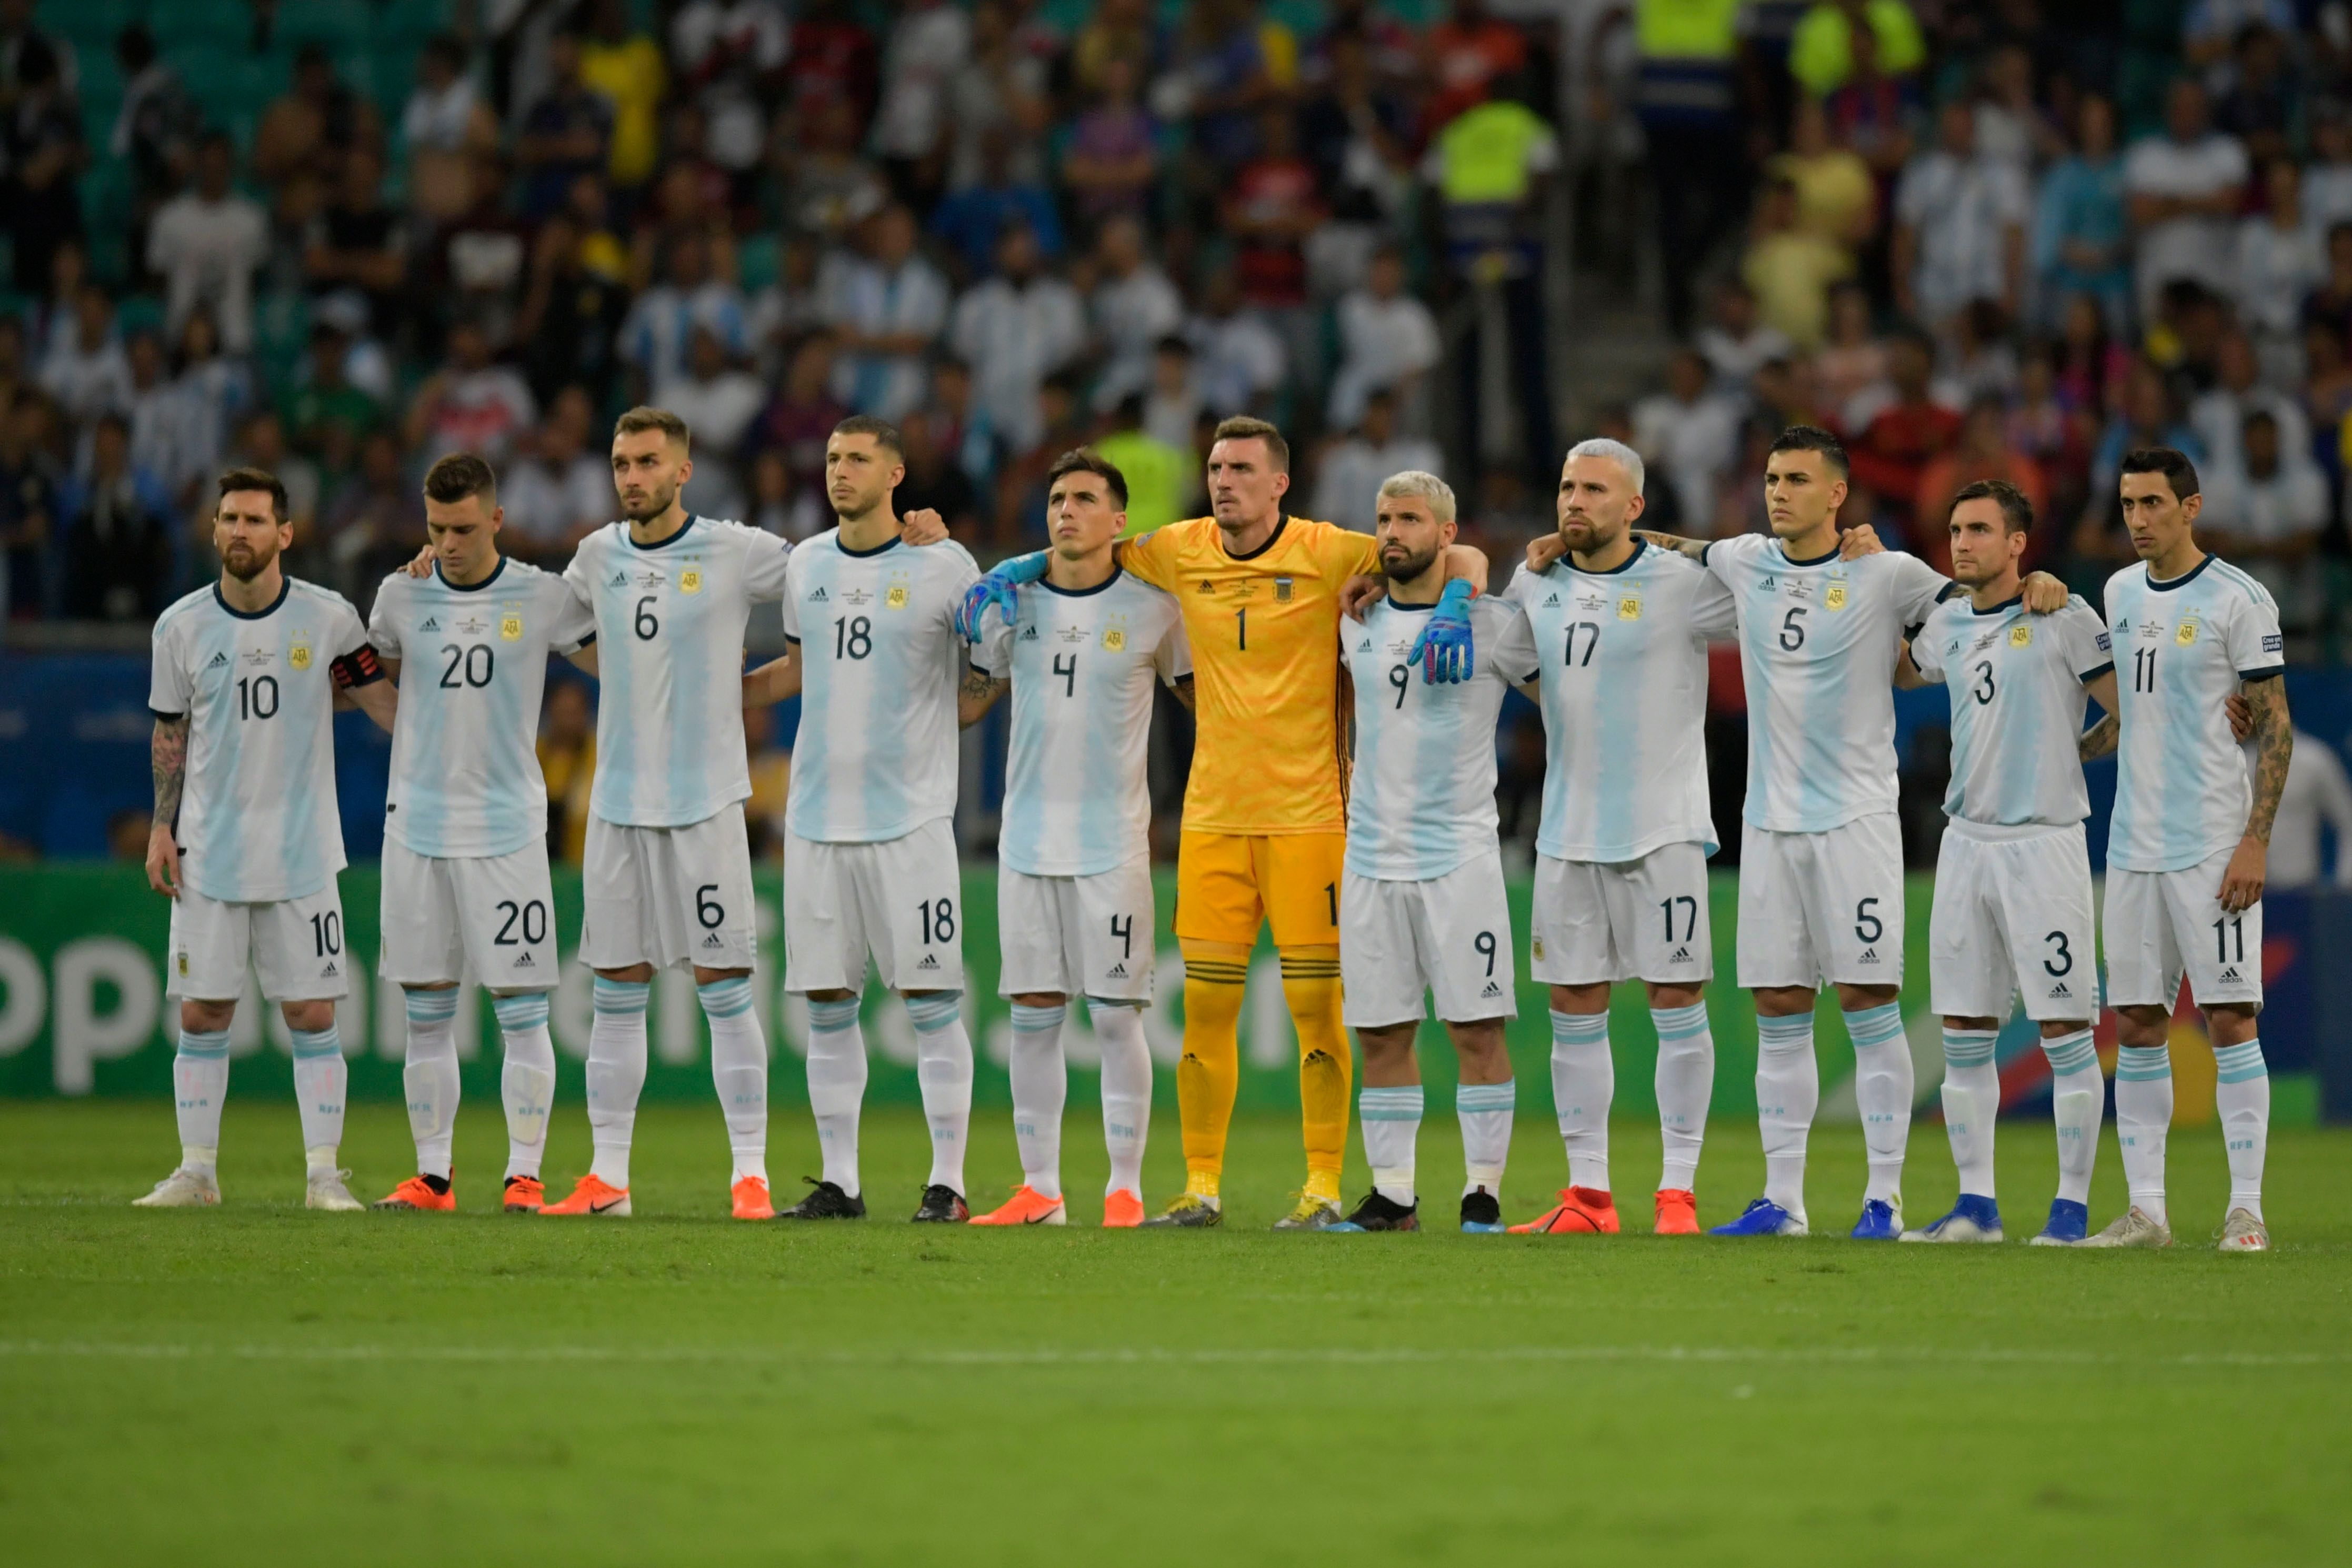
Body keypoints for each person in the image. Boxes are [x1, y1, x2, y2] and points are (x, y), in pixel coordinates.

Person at [957, 416, 1489, 1228]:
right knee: (1204, 1016)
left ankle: (1321, 1188)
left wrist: (1454, 598)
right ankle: (1199, 1187)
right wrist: (1016, 565)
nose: (1223, 481)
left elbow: (1459, 555)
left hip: (1310, 820)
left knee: (1317, 1015)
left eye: (1240, 469)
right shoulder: (1179, 549)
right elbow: (1090, 547)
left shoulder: (1330, 551)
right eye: (1214, 468)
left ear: (1279, 483)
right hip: (1211, 822)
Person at [1548, 427, 2064, 1238]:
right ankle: (1782, 1201)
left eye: (1795, 480)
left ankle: (1882, 1201)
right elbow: (1666, 546)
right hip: (1768, 825)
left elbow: (1975, 602)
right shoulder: (1745, 560)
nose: (1777, 493)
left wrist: (2038, 581)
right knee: (1779, 1010)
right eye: (1770, 479)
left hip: (1855, 823)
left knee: (1867, 1003)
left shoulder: (1886, 572)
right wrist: (1569, 540)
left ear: (1836, 495)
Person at [534, 409, 797, 1220]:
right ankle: (607, 1179)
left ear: (683, 471)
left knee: (723, 986)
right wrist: (629, 670)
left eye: (648, 462)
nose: (632, 477)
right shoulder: (596, 556)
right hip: (616, 807)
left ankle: (750, 1176)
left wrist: (750, 684)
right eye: (621, 464)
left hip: (705, 803)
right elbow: (558, 629)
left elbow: (830, 582)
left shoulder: (735, 549)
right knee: (617, 989)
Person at [136, 468, 397, 1211]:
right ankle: (197, 1174)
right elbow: (170, 733)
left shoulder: (330, 618)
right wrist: (161, 826)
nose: (239, 532)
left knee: (312, 1014)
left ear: (285, 533)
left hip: (302, 851)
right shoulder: (180, 625)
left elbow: (382, 702)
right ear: (214, 529)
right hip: (207, 849)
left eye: (254, 520)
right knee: (202, 1012)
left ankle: (323, 1177)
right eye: (229, 518)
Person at [741, 418, 982, 1222]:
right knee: (827, 1003)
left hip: (910, 822)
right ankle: (840, 1183)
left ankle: (947, 1183)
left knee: (930, 1000)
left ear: (896, 474)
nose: (839, 471)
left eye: (856, 459)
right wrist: (717, 694)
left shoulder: (944, 565)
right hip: (815, 820)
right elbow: (798, 670)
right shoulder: (806, 563)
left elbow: (987, 668)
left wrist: (953, 718)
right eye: (831, 458)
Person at [1502, 439, 1737, 1237]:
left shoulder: (1682, 584)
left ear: (1635, 506)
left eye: (1595, 490)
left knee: (1676, 1000)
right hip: (1567, 830)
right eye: (1567, 487)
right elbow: (1516, 663)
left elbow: (1779, 590)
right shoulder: (1535, 582)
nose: (1575, 501)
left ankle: (1677, 1195)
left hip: (1662, 829)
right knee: (1573, 1005)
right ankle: (1589, 1198)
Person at [960, 451, 1193, 1225]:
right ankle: (1041, 1189)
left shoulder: (1155, 610)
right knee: (1032, 1015)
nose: (1067, 510)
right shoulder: (1013, 602)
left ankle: (1124, 1188)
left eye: (1086, 499)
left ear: (1118, 520)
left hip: (1113, 847)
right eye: (1058, 498)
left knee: (1116, 1016)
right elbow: (970, 703)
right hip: (1026, 843)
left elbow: (1204, 704)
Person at [365, 456, 598, 1214]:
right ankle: (433, 1177)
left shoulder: (542, 595)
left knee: (521, 1008)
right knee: (426, 1011)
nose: (449, 543)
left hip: (505, 830)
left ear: (497, 519)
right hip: (416, 828)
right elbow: (367, 678)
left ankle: (523, 1175)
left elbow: (612, 660)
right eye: (437, 528)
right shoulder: (399, 595)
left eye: (464, 528)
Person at [1893, 481, 2120, 1245]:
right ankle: (1975, 1209)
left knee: (2064, 1026)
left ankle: (2069, 1212)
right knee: (1964, 1025)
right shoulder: (1948, 622)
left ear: (2018, 543)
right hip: (1965, 844)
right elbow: (1903, 669)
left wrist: (2072, 753)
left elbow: (2130, 708)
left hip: (2044, 845)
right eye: (1956, 529)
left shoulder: (2063, 615)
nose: (1962, 542)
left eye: (1980, 530)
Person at [2091, 448, 2291, 1253]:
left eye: (2151, 503)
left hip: (2210, 842)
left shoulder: (2238, 598)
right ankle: (2146, 1213)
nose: (2137, 519)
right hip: (2131, 844)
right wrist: (2066, 750)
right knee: (2137, 1021)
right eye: (2127, 504)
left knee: (2230, 1018)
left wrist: (2253, 842)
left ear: (2190, 507)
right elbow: (2131, 715)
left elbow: (2274, 725)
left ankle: (2246, 1211)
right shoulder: (2118, 591)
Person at [1328, 472, 1538, 1234]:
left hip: (1459, 857)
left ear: (1446, 534)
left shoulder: (1493, 625)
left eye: (1411, 519)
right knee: (1381, 1033)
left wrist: (1460, 596)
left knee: (1476, 1030)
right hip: (1370, 857)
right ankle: (1393, 1197)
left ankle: (1482, 1193)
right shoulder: (1355, 619)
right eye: (1384, 518)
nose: (1393, 532)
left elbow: (1561, 701)